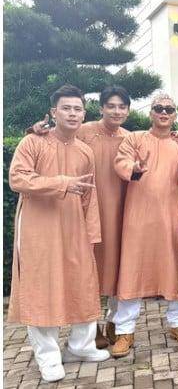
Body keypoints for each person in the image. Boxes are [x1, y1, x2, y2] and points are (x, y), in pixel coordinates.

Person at [8, 84, 109, 382]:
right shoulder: (33, 142)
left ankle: (81, 346)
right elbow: (17, 179)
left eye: (78, 109)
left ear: (84, 114)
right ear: (54, 112)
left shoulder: (85, 151)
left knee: (83, 282)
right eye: (66, 108)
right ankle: (49, 357)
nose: (73, 114)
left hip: (75, 226)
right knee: (42, 286)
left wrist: (92, 233)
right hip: (39, 227)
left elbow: (90, 195)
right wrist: (61, 182)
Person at [29, 86, 132, 348]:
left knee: (120, 268)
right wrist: (35, 129)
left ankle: (115, 321)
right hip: (88, 210)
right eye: (111, 106)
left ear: (128, 111)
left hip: (123, 211)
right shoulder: (84, 131)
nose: (116, 111)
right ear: (100, 108)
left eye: (122, 106)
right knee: (90, 270)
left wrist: (176, 135)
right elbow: (50, 139)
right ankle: (91, 326)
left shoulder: (131, 137)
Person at [111, 94, 178, 357]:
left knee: (175, 269)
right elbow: (121, 161)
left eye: (169, 109)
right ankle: (124, 331)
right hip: (137, 219)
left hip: (169, 218)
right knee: (132, 270)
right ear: (150, 113)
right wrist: (134, 168)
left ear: (175, 115)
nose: (164, 112)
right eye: (159, 108)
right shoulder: (135, 139)